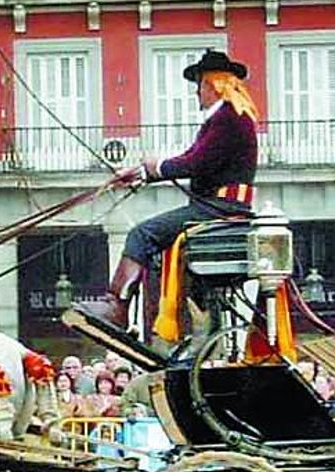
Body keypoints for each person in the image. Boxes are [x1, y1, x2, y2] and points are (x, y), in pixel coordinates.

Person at [77, 50, 259, 329]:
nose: (196, 94)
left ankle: (117, 307)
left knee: (142, 234)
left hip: (217, 209)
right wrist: (141, 173)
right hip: (220, 207)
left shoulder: (227, 118)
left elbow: (196, 162)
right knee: (155, 240)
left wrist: (155, 167)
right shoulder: (230, 117)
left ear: (212, 84)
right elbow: (194, 159)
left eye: (198, 86)